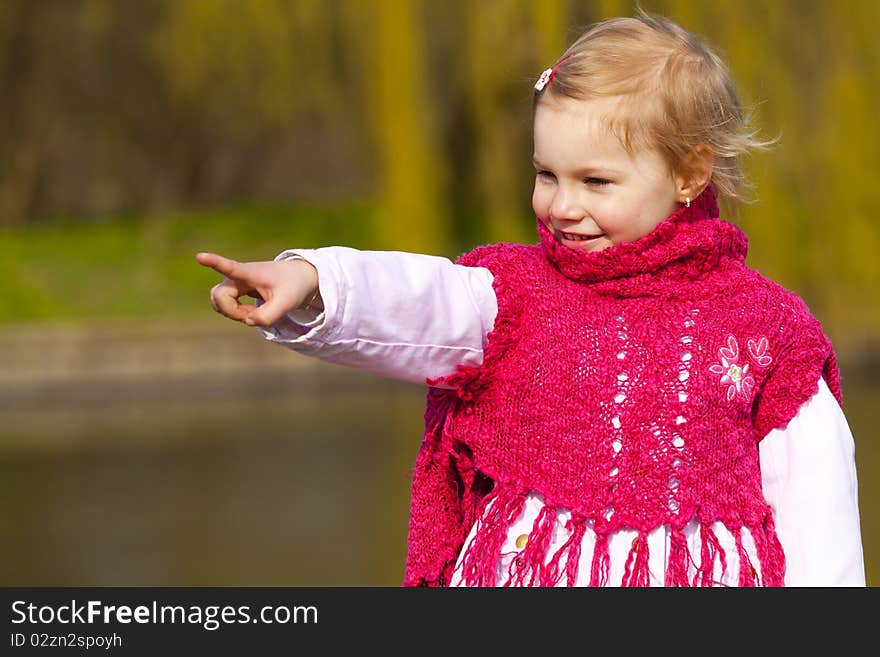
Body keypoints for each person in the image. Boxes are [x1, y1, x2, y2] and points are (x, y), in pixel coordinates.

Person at [196, 11, 865, 586]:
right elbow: (423, 302)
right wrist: (314, 283)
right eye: (546, 174)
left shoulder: (766, 327)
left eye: (596, 181)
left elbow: (817, 508)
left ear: (690, 172)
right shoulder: (519, 295)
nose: (562, 205)